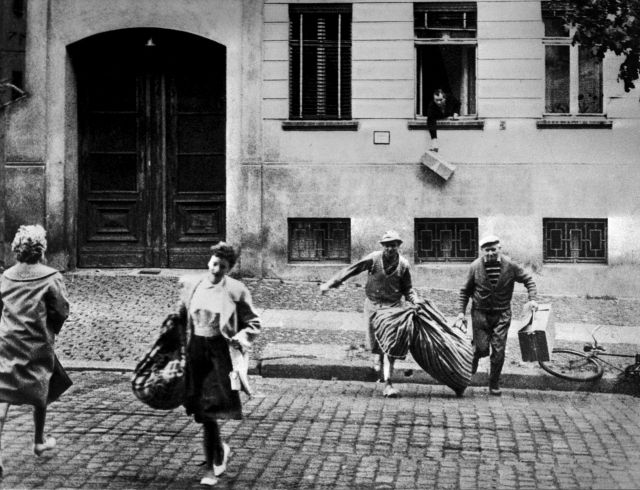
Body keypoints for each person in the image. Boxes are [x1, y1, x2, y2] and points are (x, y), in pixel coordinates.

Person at [179, 242, 261, 486]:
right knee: (199, 409)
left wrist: (241, 337)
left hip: (219, 352)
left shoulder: (236, 290)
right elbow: (181, 316)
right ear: (208, 262)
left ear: (229, 269)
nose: (216, 270)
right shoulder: (192, 285)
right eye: (214, 264)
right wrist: (176, 344)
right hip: (195, 350)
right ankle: (220, 450)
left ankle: (212, 468)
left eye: (222, 267)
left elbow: (254, 322)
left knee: (209, 410)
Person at [0, 225, 71, 476]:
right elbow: (61, 309)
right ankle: (39, 441)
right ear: (42, 249)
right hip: (37, 341)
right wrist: (53, 327)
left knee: (3, 389)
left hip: (8, 340)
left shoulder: (7, 275)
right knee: (41, 385)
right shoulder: (50, 276)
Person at [320, 230, 418, 398]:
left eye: (393, 246)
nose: (389, 249)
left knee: (390, 347)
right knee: (375, 344)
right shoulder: (374, 259)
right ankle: (378, 358)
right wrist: (331, 283)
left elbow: (407, 288)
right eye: (387, 246)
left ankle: (388, 384)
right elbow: (353, 269)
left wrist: (415, 300)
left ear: (398, 247)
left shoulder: (403, 265)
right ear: (382, 247)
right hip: (373, 306)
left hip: (393, 308)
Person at [455, 235, 538, 396]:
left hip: (502, 313)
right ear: (482, 251)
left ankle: (494, 383)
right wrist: (460, 313)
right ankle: (471, 363)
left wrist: (532, 299)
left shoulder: (510, 266)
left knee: (498, 351)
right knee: (481, 348)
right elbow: (464, 291)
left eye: (494, 249)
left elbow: (529, 280)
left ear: (500, 248)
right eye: (487, 250)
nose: (491, 253)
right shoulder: (475, 267)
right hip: (480, 313)